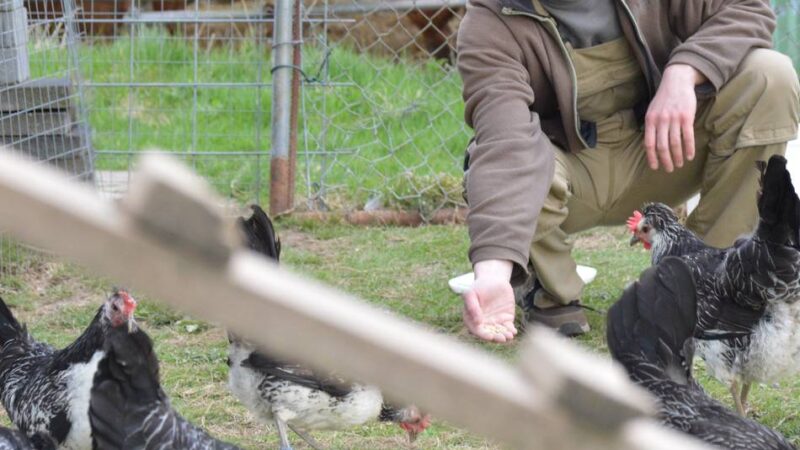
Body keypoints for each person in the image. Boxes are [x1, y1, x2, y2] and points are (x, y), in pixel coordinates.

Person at [457, 0, 800, 342]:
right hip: (570, 175)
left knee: (770, 76)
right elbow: (505, 143)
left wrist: (685, 71)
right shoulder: (490, 22)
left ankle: (709, 282)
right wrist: (491, 273)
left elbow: (747, 8)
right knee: (489, 166)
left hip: (663, 152)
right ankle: (550, 287)